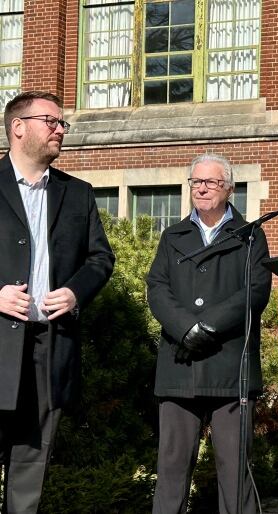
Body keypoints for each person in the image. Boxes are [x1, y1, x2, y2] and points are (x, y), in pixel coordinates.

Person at [0, 91, 114, 512]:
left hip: (50, 347)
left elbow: (101, 258)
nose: (60, 130)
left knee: (30, 466)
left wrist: (75, 290)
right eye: (51, 121)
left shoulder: (77, 193)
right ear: (18, 127)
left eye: (63, 123)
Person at [147, 154, 272, 514]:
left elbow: (255, 291)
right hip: (179, 365)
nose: (202, 188)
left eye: (211, 182)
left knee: (235, 472)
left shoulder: (250, 235)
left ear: (229, 188)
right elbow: (157, 287)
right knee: (171, 470)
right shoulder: (173, 236)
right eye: (196, 182)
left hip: (229, 365)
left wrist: (208, 326)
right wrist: (186, 328)